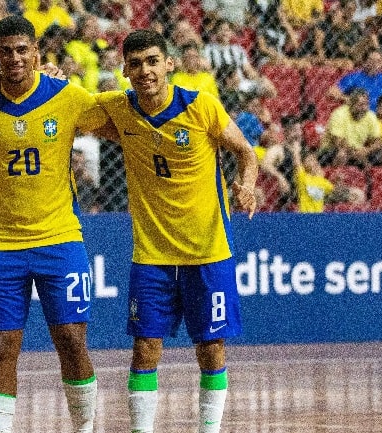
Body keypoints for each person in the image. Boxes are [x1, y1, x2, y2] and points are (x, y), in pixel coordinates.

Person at [93, 29, 258, 433]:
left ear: (169, 63)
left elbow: (245, 152)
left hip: (208, 249)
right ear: (126, 70)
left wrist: (247, 184)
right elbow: (65, 110)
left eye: (153, 61)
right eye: (136, 64)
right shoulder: (118, 108)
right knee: (146, 347)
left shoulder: (202, 107)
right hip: (152, 254)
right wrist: (51, 78)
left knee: (210, 348)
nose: (145, 71)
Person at [0, 15, 109, 433]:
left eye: (23, 50)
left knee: (72, 342)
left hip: (60, 238)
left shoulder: (67, 96)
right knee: (2, 347)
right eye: (6, 51)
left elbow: (117, 125)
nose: (15, 58)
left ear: (37, 54)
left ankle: (85, 428)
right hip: (2, 242)